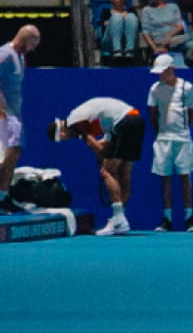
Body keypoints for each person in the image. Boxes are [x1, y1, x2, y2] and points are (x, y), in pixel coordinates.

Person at [56, 92, 143, 236]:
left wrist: (103, 160)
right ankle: (119, 219)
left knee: (106, 172)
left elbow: (96, 145)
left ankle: (119, 218)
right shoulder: (91, 119)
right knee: (124, 173)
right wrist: (103, 155)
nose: (65, 139)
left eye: (62, 138)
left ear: (62, 132)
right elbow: (105, 142)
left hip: (125, 123)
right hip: (136, 120)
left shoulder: (74, 120)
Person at [140, 52, 193, 232]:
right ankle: (167, 219)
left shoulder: (186, 88)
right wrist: (161, 133)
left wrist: (182, 131)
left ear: (172, 69)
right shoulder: (155, 89)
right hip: (163, 140)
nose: (160, 75)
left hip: (182, 139)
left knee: (185, 178)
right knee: (165, 179)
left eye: (163, 72)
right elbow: (152, 113)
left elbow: (191, 113)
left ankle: (189, 218)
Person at [0, 23, 39, 193]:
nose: (34, 49)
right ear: (25, 39)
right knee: (14, 149)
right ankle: (1, 195)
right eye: (34, 44)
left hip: (13, 112)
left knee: (15, 150)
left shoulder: (20, 57)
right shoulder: (4, 53)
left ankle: (4, 193)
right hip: (2, 111)